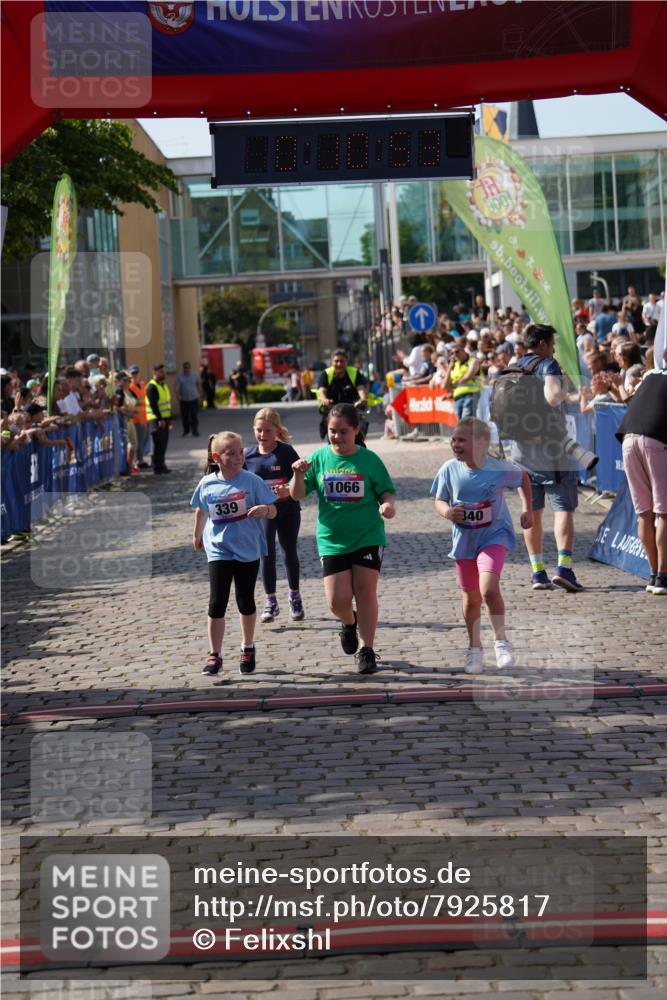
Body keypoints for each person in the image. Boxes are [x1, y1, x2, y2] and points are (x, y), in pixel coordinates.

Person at [289, 402, 396, 675]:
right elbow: (297, 494)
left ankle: (367, 649)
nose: (336, 437)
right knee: (337, 601)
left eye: (343, 432)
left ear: (356, 430)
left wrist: (387, 505)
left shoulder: (369, 460)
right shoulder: (319, 458)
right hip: (332, 539)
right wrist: (298, 475)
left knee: (365, 592)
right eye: (332, 431)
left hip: (367, 535)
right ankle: (349, 622)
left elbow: (386, 491)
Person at [431, 417, 533, 672]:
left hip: (494, 536)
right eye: (454, 439)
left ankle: (501, 643)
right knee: (471, 598)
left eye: (462, 440)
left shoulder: (499, 468)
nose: (456, 444)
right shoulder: (449, 469)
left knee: (488, 589)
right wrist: (447, 512)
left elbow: (523, 478)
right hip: (465, 540)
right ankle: (474, 648)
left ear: (481, 443)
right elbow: (440, 499)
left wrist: (527, 509)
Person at [191, 431, 278, 676]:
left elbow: (273, 510)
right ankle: (214, 655)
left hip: (247, 548)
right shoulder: (207, 483)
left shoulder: (252, 481)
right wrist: (197, 534)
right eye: (231, 453)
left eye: (241, 452)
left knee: (245, 600)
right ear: (216, 457)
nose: (239, 457)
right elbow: (201, 509)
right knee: (217, 601)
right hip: (219, 549)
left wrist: (264, 510)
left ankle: (247, 646)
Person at [511, 323, 584, 593]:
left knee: (532, 511)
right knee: (563, 508)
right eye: (552, 344)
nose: (553, 350)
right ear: (542, 344)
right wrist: (562, 387)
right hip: (551, 451)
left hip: (520, 451)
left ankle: (537, 572)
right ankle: (564, 568)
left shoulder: (513, 367)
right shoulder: (548, 365)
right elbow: (553, 398)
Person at [244, 408, 305, 623]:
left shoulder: (286, 452)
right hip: (264, 513)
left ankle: (294, 596)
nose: (262, 435)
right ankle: (270, 601)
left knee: (289, 552)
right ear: (253, 429)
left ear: (277, 431)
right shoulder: (247, 456)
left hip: (287, 510)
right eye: (259, 430)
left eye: (268, 430)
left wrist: (287, 489)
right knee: (266, 554)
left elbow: (299, 479)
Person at [615, 370, 667, 595]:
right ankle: (663, 576)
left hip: (629, 439)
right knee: (663, 512)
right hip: (655, 440)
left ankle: (654, 574)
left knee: (644, 513)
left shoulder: (651, 376)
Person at [317, 348, 368, 442]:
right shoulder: (326, 374)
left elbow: (361, 388)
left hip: (352, 410)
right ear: (331, 362)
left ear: (347, 362)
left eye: (342, 361)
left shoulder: (354, 372)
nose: (339, 364)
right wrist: (324, 400)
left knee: (359, 435)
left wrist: (363, 398)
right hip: (333, 410)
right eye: (336, 361)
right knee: (332, 436)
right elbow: (322, 391)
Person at [441, 340, 482, 419]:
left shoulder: (472, 361)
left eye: (457, 352)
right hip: (457, 397)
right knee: (461, 422)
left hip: (470, 394)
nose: (455, 355)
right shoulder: (454, 366)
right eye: (452, 353)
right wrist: (449, 367)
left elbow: (467, 377)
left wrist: (452, 385)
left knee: (466, 420)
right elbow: (444, 386)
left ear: (463, 351)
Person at [146, 363, 173, 474]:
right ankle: (157, 467)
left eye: (164, 371)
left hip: (165, 418)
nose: (163, 373)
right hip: (155, 419)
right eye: (161, 372)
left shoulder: (163, 385)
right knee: (158, 443)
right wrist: (160, 419)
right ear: (154, 373)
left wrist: (169, 419)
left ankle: (162, 465)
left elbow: (167, 403)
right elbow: (153, 405)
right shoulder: (151, 386)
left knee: (163, 443)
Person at [127, 365, 150, 468]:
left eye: (136, 373)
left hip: (144, 417)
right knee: (138, 441)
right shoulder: (130, 387)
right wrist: (140, 418)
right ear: (130, 375)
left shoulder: (142, 385)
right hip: (136, 419)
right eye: (133, 373)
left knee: (143, 440)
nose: (135, 375)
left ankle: (140, 459)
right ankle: (139, 461)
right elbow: (132, 405)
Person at [175, 361, 202, 437]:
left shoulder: (195, 375)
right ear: (183, 368)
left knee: (194, 416)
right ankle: (186, 431)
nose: (187, 369)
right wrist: (177, 395)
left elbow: (198, 385)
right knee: (185, 416)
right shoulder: (179, 376)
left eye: (188, 367)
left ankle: (195, 431)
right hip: (184, 399)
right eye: (185, 368)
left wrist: (200, 394)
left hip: (194, 399)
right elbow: (177, 387)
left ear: (190, 368)